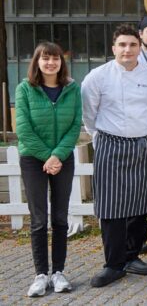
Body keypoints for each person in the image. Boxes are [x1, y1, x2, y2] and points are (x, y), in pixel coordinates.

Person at [82, 25, 147, 287]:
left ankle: (132, 255)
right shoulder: (97, 77)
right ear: (113, 48)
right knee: (111, 207)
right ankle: (113, 264)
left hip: (144, 144)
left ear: (139, 46)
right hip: (110, 143)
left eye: (132, 45)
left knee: (139, 205)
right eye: (122, 45)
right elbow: (88, 115)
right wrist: (102, 138)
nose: (127, 49)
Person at [16, 42, 81, 296]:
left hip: (62, 157)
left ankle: (59, 272)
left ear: (61, 62)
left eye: (55, 58)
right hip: (33, 159)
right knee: (39, 220)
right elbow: (23, 129)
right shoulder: (25, 89)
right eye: (45, 58)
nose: (50, 63)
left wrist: (57, 155)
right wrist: (47, 156)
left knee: (60, 218)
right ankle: (41, 274)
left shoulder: (72, 89)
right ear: (37, 62)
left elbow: (76, 124)